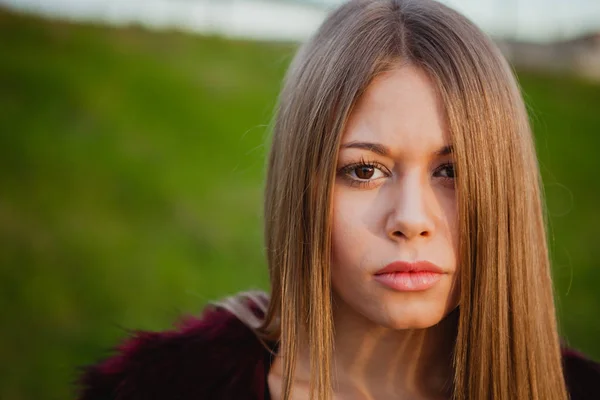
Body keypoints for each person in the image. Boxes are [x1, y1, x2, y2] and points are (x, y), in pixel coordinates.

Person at [76, 0, 600, 399]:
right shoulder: (169, 387)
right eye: (364, 170)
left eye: (452, 171)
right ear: (301, 188)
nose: (411, 220)